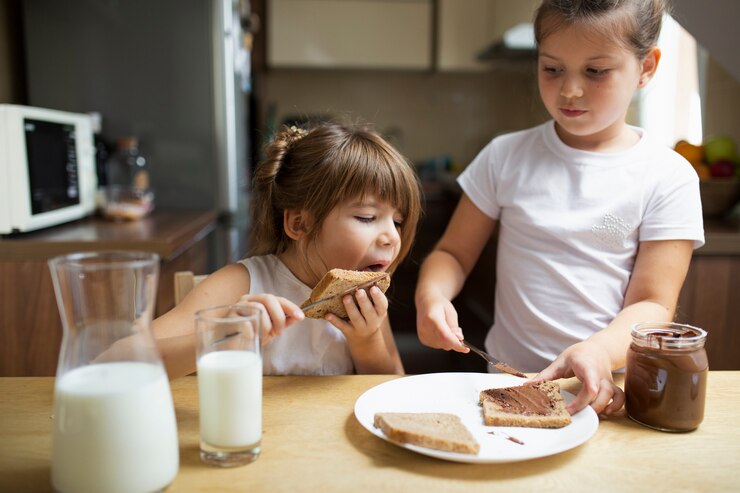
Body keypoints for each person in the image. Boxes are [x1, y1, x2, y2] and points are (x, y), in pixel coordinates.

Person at [415, 0, 704, 416]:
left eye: (596, 71)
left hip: (602, 391)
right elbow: (452, 255)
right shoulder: (504, 156)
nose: (569, 90)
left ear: (646, 67)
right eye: (552, 69)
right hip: (506, 384)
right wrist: (432, 295)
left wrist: (599, 352)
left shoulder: (667, 175)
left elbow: (654, 304)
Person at [154, 122, 422, 378]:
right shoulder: (243, 283)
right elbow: (127, 358)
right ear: (300, 223)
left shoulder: (365, 299)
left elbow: (392, 389)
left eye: (398, 222)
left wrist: (367, 340)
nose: (391, 237)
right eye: (366, 217)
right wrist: (222, 335)